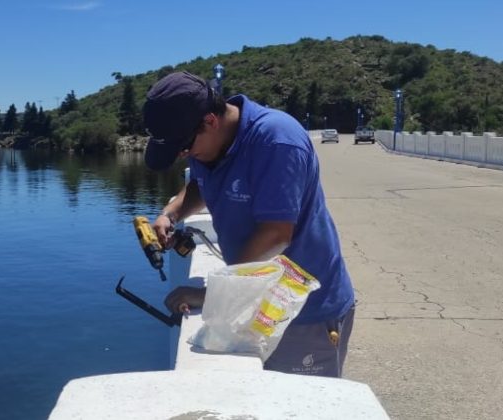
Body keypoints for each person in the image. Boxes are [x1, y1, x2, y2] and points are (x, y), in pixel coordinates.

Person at [142, 71, 355, 378]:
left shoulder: (276, 141)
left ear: (211, 121)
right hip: (253, 304)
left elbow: (276, 234)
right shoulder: (208, 143)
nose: (185, 157)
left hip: (303, 312)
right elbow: (201, 184)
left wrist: (214, 295)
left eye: (185, 149)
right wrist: (170, 214)